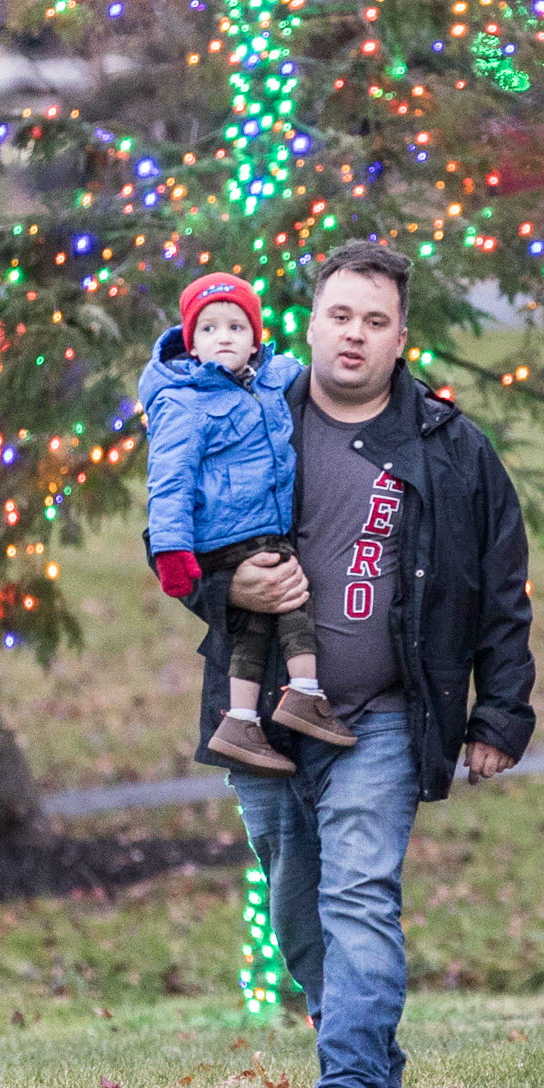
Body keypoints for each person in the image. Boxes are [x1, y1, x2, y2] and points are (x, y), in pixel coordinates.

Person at [199, 241, 537, 1088]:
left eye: (375, 321)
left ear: (400, 337)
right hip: (258, 711)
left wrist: (500, 712)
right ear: (309, 322)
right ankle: (372, 1081)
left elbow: (500, 587)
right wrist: (225, 592)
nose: (355, 335)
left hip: (386, 712)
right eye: (340, 315)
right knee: (299, 912)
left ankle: (344, 1087)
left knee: (360, 894)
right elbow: (179, 540)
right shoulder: (247, 418)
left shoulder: (449, 448)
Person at [144, 270, 358, 775]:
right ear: (191, 343)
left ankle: (241, 722)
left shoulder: (270, 379)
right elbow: (168, 485)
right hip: (225, 533)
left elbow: (310, 370)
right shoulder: (183, 405)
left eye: (237, 328)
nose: (224, 338)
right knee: (292, 600)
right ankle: (304, 692)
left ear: (255, 339)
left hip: (259, 525)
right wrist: (172, 554)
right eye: (210, 329)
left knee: (255, 629)